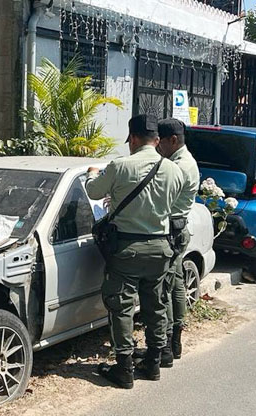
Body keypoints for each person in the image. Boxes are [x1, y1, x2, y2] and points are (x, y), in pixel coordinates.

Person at [86, 114, 183, 389]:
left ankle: (124, 368)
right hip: (161, 248)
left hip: (127, 249)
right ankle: (153, 363)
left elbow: (93, 192)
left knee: (122, 307)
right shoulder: (174, 170)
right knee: (156, 305)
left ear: (134, 138)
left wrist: (92, 174)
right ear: (157, 140)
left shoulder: (120, 166)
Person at [156, 118, 200, 362]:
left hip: (172, 230)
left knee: (166, 286)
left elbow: (161, 199)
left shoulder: (178, 166)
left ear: (173, 140)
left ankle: (168, 343)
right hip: (179, 228)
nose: (157, 146)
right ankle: (174, 342)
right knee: (176, 283)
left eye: (160, 142)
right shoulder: (183, 161)